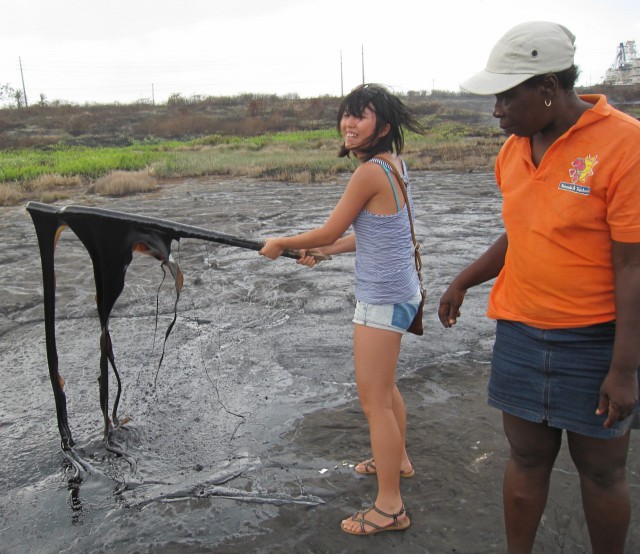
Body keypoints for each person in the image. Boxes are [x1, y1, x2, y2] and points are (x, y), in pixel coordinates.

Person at [438, 21, 640, 554]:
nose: (497, 110)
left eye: (507, 96)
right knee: (525, 458)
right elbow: (523, 230)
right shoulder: (513, 150)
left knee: (601, 472)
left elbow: (632, 266)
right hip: (522, 335)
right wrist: (465, 279)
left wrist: (623, 370)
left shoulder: (625, 144)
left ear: (548, 88)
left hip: (595, 340)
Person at [259, 83, 425, 535]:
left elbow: (331, 227)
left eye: (361, 116)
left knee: (374, 403)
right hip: (401, 292)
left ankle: (390, 507)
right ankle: (399, 460)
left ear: (383, 127)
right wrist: (327, 253)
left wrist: (282, 243)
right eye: (347, 115)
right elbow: (372, 234)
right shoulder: (394, 165)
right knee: (386, 392)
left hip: (382, 298)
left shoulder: (370, 172)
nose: (348, 124)